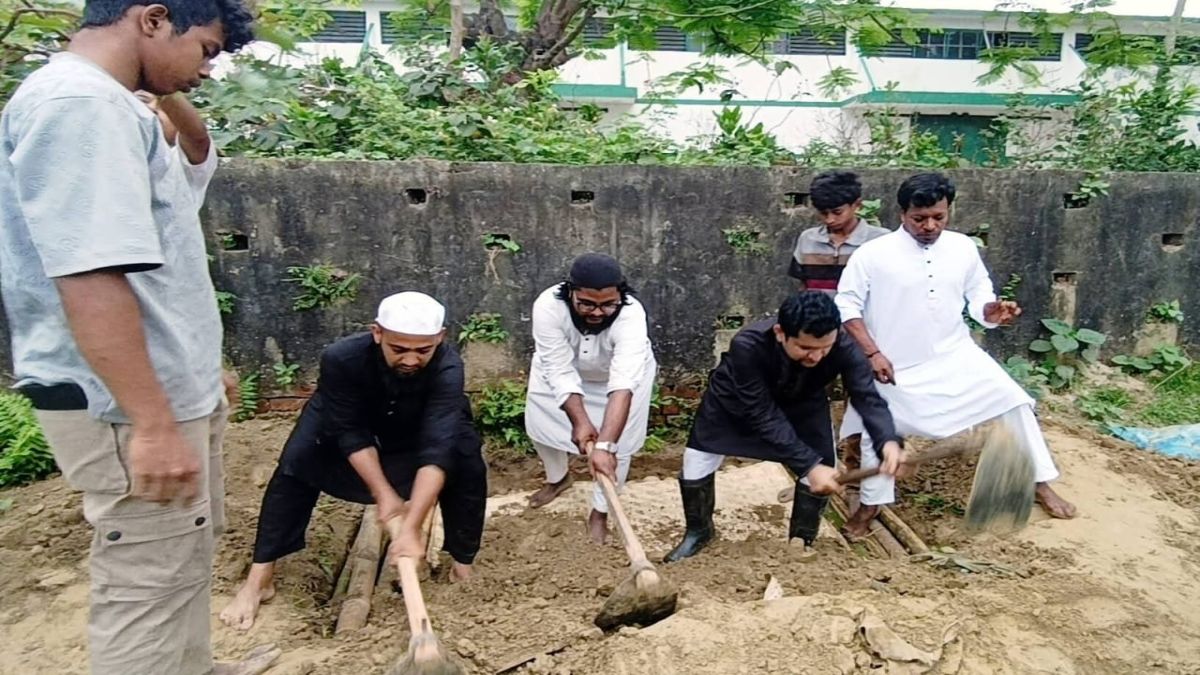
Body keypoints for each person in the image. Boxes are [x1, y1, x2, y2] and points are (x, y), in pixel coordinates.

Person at [0, 0, 277, 672]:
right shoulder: (79, 106)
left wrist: (196, 367)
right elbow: (89, 274)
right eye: (206, 49)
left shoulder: (115, 106)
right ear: (153, 20)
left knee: (182, 555)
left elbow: (157, 261)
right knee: (144, 582)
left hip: (163, 389)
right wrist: (152, 419)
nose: (208, 68)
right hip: (126, 406)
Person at [220, 292, 488, 631]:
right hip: (346, 423)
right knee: (296, 463)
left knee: (466, 460)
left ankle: (462, 564)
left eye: (423, 351)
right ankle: (259, 578)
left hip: (414, 426)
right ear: (377, 333)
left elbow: (438, 447)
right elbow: (350, 432)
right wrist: (385, 495)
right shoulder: (341, 358)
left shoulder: (448, 367)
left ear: (440, 338)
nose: (410, 360)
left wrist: (410, 527)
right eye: (399, 349)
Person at [836, 172, 1077, 539]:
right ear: (902, 213)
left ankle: (1039, 481)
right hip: (894, 366)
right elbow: (847, 307)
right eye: (920, 219)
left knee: (1013, 402)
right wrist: (873, 353)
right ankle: (871, 505)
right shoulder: (873, 254)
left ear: (948, 211)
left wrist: (991, 311)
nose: (930, 226)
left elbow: (979, 293)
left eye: (939, 217)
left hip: (956, 355)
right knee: (876, 432)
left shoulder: (962, 246)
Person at [665, 292, 908, 562]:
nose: (816, 357)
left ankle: (801, 540)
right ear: (781, 333)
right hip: (735, 405)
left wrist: (887, 441)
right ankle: (699, 531)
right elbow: (761, 413)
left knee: (821, 465)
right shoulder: (748, 344)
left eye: (824, 348)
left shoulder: (844, 344)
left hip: (804, 402)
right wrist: (808, 464)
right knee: (697, 461)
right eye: (805, 348)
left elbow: (867, 397)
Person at [524, 253, 658, 544]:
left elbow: (623, 384)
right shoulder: (548, 306)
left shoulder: (632, 315)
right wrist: (581, 421)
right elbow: (558, 370)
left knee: (616, 451)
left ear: (620, 295)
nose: (597, 313)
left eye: (608, 304)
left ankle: (600, 512)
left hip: (621, 382)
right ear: (570, 291)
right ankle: (558, 478)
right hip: (560, 372)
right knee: (540, 425)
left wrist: (605, 444)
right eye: (587, 304)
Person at [788, 170, 891, 294]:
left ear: (857, 205)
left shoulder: (881, 240)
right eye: (823, 213)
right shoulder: (808, 239)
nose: (830, 220)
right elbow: (803, 286)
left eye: (837, 212)